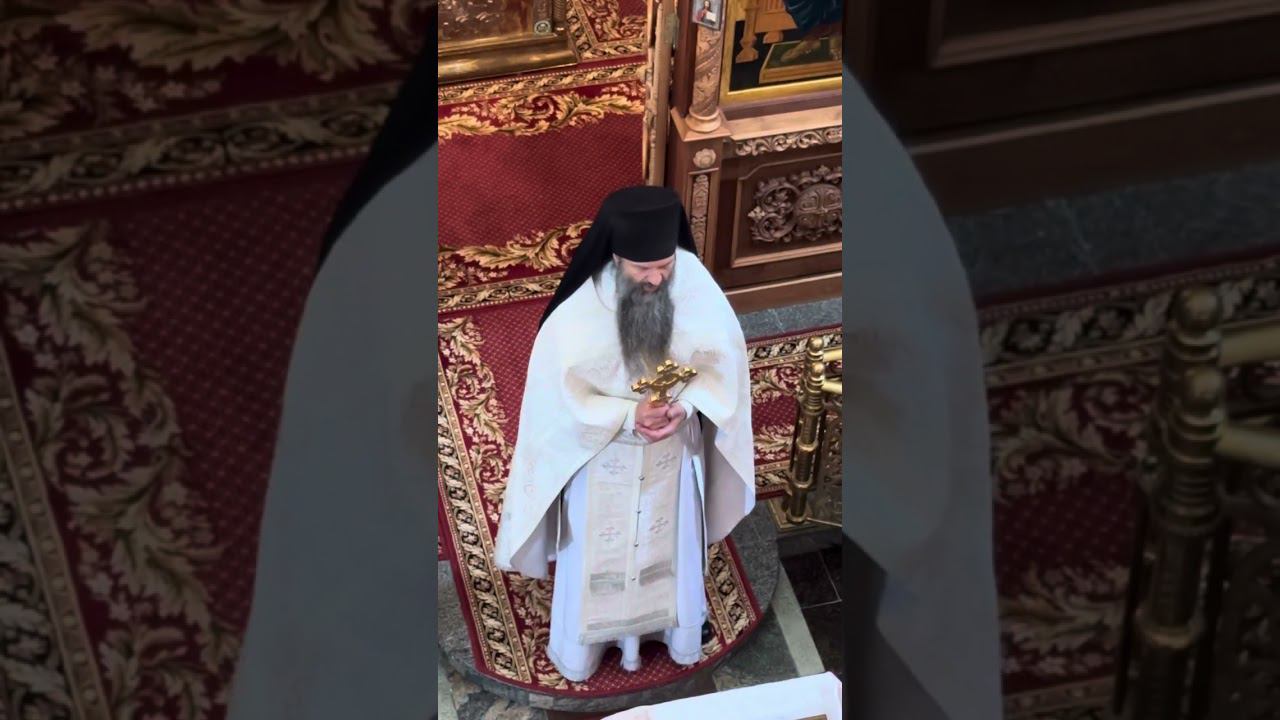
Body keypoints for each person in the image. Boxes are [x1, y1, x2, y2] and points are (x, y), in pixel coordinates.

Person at [493, 185, 756, 682]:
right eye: (643, 269)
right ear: (616, 258)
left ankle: (675, 633)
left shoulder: (692, 282)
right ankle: (585, 650)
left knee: (672, 541)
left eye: (664, 266)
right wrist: (627, 416)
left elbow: (724, 365)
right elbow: (556, 398)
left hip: (672, 453)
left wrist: (687, 406)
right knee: (596, 554)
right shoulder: (579, 311)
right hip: (604, 457)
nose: (656, 278)